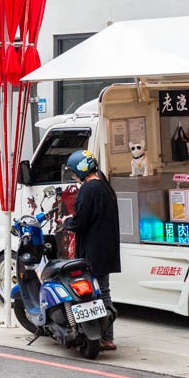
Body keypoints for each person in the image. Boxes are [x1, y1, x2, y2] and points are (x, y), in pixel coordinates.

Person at [62, 150, 121, 351]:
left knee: (87, 294)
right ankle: (107, 337)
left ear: (81, 170)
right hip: (107, 249)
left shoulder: (88, 190)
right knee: (103, 292)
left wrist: (67, 221)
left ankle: (91, 333)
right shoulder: (106, 187)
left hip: (91, 251)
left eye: (73, 173)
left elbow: (80, 221)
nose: (73, 177)